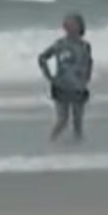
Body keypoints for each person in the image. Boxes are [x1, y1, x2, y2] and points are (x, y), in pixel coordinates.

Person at [38, 14, 94, 142]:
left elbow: (89, 62)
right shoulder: (59, 44)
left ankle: (78, 148)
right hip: (61, 86)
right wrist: (49, 76)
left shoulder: (85, 46)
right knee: (62, 120)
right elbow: (42, 58)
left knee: (78, 122)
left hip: (78, 87)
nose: (67, 26)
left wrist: (87, 78)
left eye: (71, 23)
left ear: (79, 26)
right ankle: (51, 142)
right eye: (67, 24)